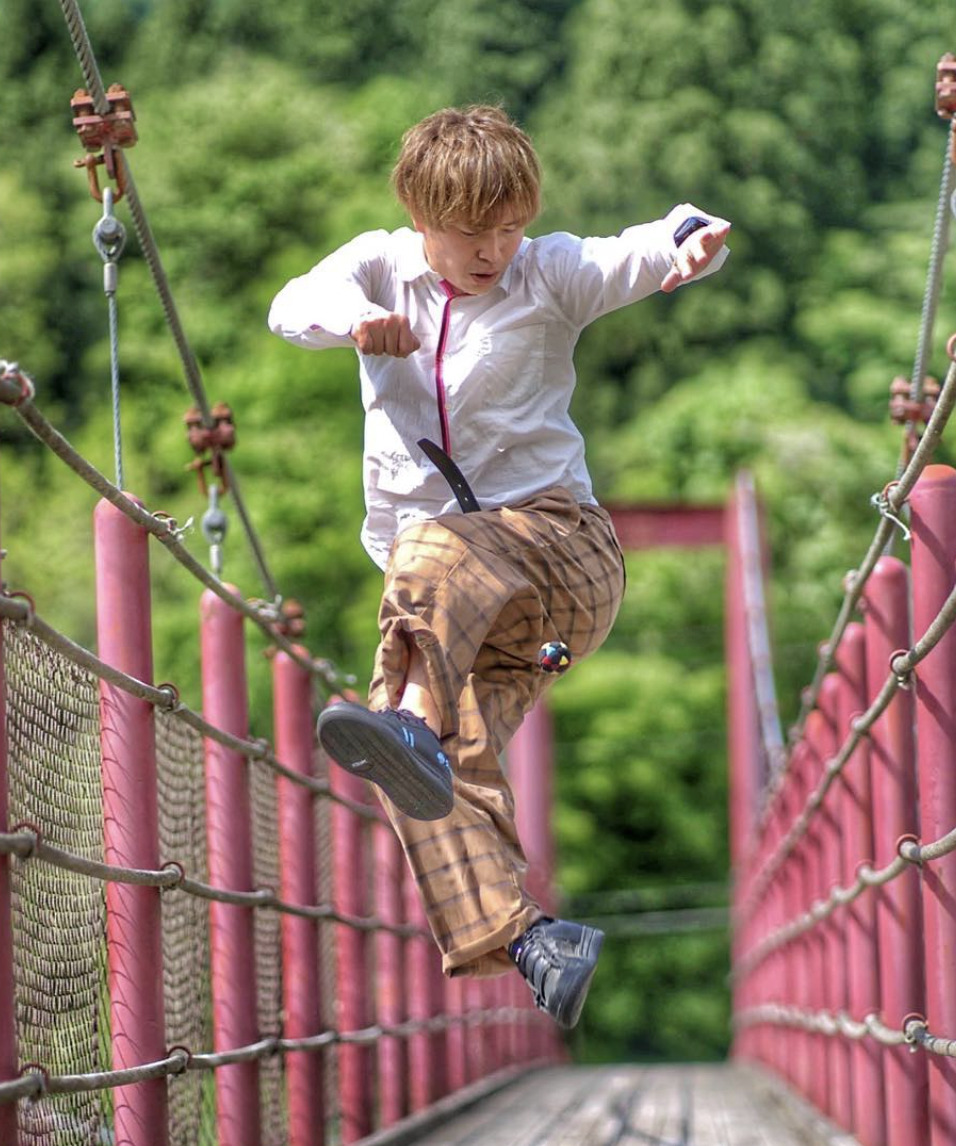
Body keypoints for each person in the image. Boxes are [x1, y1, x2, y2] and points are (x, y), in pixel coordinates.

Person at [268, 105, 730, 1028]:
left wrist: (689, 237)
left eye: (509, 225)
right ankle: (530, 940)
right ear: (419, 216)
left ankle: (410, 720)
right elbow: (291, 307)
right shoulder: (377, 267)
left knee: (424, 573)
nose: (494, 249)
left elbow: (637, 246)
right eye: (472, 230)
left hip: (562, 557)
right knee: (429, 770)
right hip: (454, 617)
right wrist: (360, 321)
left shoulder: (547, 272)